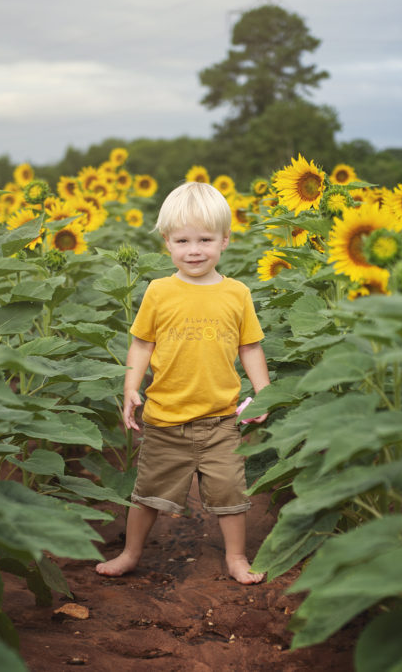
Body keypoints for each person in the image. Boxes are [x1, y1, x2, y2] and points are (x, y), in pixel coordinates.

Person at [95, 182, 270, 585]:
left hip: (221, 420)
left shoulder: (236, 294)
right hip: (166, 419)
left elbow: (251, 348)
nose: (195, 250)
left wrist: (265, 393)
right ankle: (130, 553)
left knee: (230, 493)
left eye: (205, 239)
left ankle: (237, 558)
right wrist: (130, 388)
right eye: (183, 240)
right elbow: (141, 344)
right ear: (167, 244)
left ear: (225, 240)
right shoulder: (159, 292)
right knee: (147, 493)